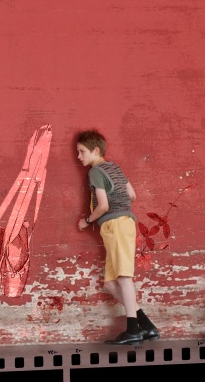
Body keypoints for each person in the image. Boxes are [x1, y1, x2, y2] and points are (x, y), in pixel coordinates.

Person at [76, 129, 159, 345]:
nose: (79, 156)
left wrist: (87, 221)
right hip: (123, 224)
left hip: (115, 224)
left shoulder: (95, 172)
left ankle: (132, 330)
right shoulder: (115, 168)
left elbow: (103, 206)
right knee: (111, 283)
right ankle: (146, 326)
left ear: (95, 150)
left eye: (82, 151)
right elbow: (132, 194)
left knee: (123, 278)